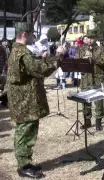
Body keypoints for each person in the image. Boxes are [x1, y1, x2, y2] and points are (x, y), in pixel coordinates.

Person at [7, 22, 65, 178]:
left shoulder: (16, 51)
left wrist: (43, 58)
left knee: (25, 131)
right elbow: (41, 70)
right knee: (25, 132)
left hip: (22, 100)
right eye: (32, 34)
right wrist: (59, 56)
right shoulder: (23, 54)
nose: (34, 36)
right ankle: (23, 166)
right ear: (24, 35)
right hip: (25, 101)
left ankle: (25, 161)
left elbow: (32, 69)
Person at [76, 30, 104, 131]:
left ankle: (98, 122)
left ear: (96, 38)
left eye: (92, 38)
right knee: (85, 100)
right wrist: (83, 59)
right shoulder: (82, 49)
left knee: (98, 100)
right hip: (85, 79)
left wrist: (94, 60)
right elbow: (77, 61)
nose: (89, 40)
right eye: (88, 38)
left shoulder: (101, 49)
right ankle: (87, 121)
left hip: (97, 78)